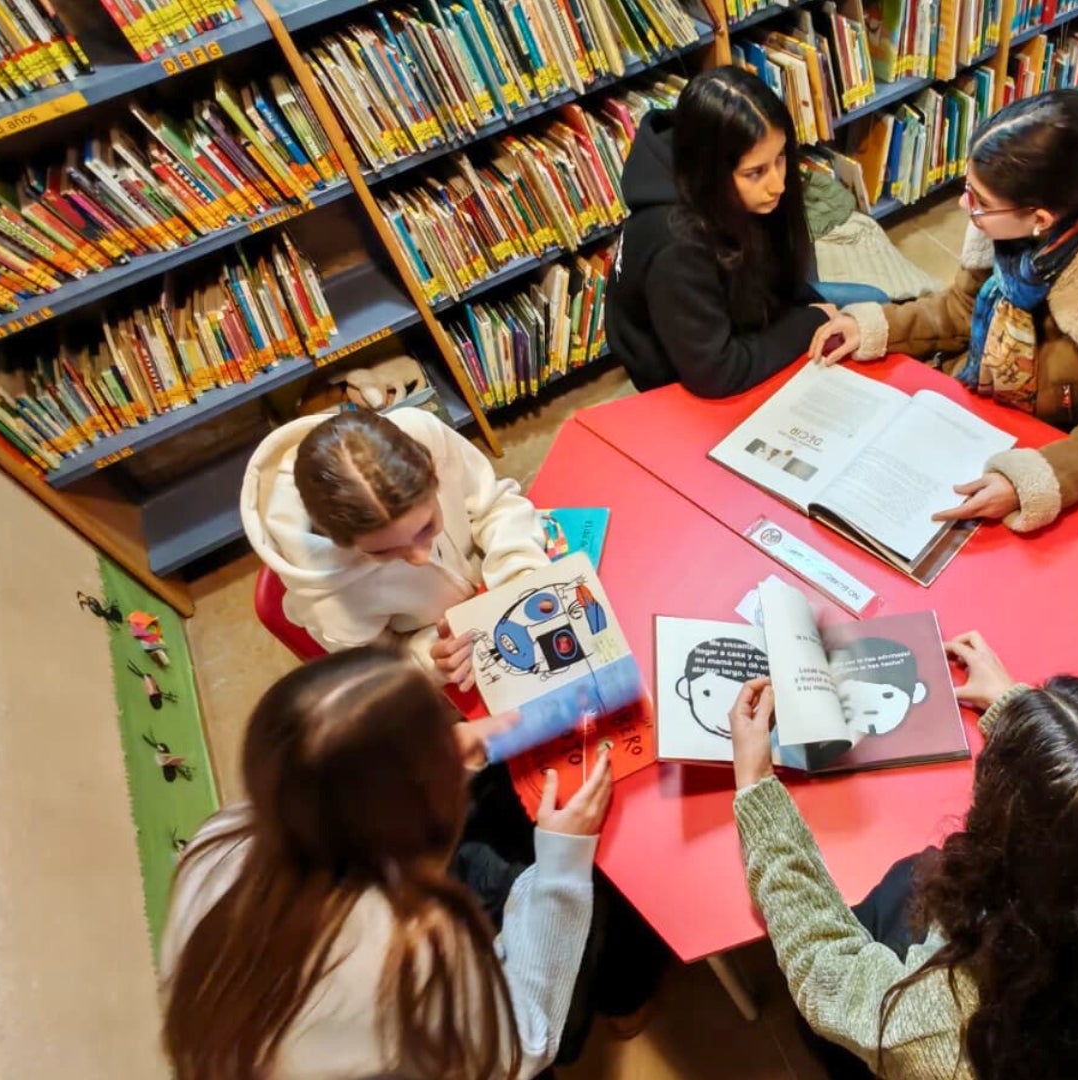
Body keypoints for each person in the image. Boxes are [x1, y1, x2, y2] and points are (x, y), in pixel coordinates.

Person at [728, 632, 1078, 1080]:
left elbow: (826, 969)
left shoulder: (948, 1026)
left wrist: (757, 791)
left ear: (1017, 887)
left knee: (895, 897)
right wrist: (1027, 719)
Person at [160, 647, 619, 1079]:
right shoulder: (411, 950)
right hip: (435, 1046)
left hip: (282, 1042)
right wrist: (562, 861)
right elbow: (526, 1044)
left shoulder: (220, 839)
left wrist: (438, 759)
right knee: (593, 911)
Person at [811, 90, 1078, 535]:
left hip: (1054, 445)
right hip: (975, 413)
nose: (963, 206)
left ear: (1040, 219)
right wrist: (876, 324)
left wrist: (1037, 478)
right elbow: (959, 311)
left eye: (979, 200)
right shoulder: (1004, 233)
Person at [608, 67, 883, 399]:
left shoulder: (741, 189)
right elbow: (717, 372)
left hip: (744, 308)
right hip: (688, 377)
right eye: (756, 172)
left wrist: (814, 312)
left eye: (781, 159)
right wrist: (809, 322)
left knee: (875, 305)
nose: (778, 185)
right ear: (712, 172)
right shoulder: (677, 248)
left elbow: (784, 275)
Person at [240, 407, 549, 687]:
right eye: (383, 552)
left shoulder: (424, 434)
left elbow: (493, 503)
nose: (419, 556)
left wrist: (518, 574)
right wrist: (428, 661)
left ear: (432, 472)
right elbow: (377, 670)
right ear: (339, 542)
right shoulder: (329, 601)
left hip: (506, 598)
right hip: (461, 673)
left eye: (426, 527)